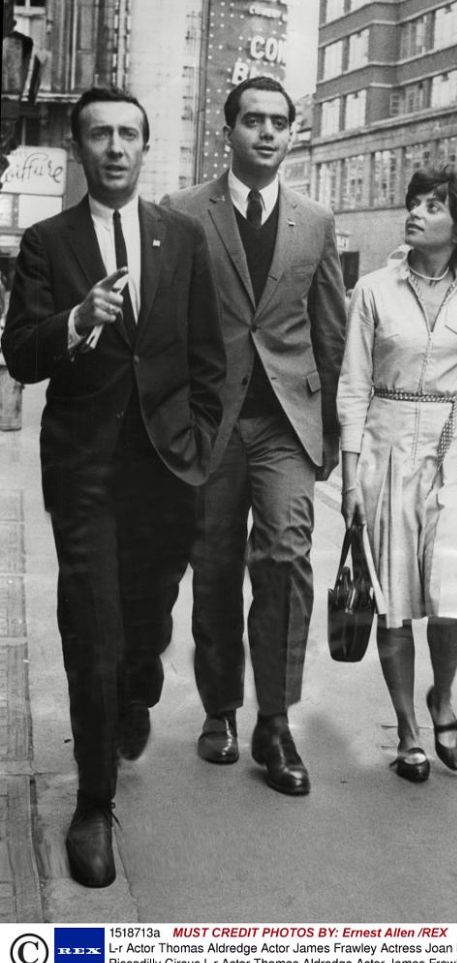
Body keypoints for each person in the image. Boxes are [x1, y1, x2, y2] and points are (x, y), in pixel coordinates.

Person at [1, 87, 225, 886]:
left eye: (129, 133)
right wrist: (75, 320)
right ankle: (94, 803)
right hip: (86, 470)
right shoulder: (47, 242)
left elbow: (208, 357)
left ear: (145, 146)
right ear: (80, 148)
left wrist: (200, 447)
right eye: (101, 134)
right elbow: (20, 352)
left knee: (144, 618)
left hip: (168, 470)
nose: (116, 147)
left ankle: (138, 683)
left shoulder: (181, 237)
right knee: (91, 629)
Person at [162, 76, 346, 795]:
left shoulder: (316, 220)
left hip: (285, 425)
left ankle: (275, 720)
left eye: (279, 122)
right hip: (210, 425)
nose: (267, 132)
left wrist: (334, 434)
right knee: (213, 569)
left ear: (292, 134)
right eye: (253, 120)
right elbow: (164, 331)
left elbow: (329, 329)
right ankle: (221, 708)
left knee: (285, 558)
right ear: (228, 132)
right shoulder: (182, 212)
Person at [338, 165, 457, 783]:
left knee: (455, 596)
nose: (417, 212)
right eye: (416, 202)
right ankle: (407, 732)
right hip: (386, 453)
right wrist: (350, 479)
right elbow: (354, 387)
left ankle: (443, 698)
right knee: (393, 604)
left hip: (453, 459)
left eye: (434, 206)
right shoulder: (372, 290)